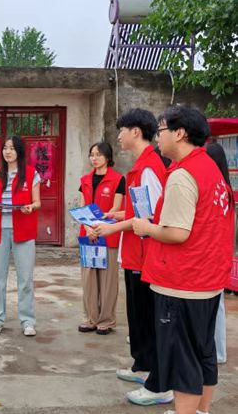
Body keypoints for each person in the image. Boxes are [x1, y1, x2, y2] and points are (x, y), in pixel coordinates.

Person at [132, 106, 234, 414]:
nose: (157, 138)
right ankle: (201, 410)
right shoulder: (209, 168)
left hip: (182, 281)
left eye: (161, 131)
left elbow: (177, 232)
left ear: (180, 133)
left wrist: (145, 228)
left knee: (183, 360)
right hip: (207, 280)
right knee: (203, 353)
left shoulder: (182, 175)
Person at [93, 108, 172, 405]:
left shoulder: (149, 168)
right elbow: (139, 210)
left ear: (136, 131)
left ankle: (158, 383)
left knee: (147, 318)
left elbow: (150, 217)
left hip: (146, 256)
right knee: (138, 317)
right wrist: (117, 215)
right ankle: (143, 366)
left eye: (122, 131)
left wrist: (112, 227)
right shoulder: (141, 167)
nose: (119, 137)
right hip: (136, 254)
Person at [0, 135, 41, 336]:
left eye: (11, 148)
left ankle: (28, 321)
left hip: (24, 230)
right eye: (5, 148)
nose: (7, 152)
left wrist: (30, 207)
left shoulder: (31, 173)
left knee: (25, 278)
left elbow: (37, 202)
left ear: (19, 151)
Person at [78, 142, 125, 335]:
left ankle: (106, 320)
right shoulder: (85, 180)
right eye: (92, 154)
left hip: (108, 234)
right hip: (88, 235)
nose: (94, 158)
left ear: (107, 156)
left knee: (107, 280)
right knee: (89, 278)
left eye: (98, 154)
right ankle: (91, 318)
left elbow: (116, 208)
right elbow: (82, 208)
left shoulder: (118, 179)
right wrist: (88, 227)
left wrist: (100, 227)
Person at [206, 142, 233, 364]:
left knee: (214, 306)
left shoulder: (216, 189)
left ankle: (218, 352)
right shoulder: (226, 190)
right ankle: (219, 351)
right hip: (220, 254)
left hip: (212, 254)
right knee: (218, 305)